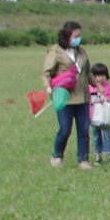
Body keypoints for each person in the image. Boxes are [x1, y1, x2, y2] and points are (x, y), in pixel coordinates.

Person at [43, 20, 93, 169]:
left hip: (83, 96)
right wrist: (47, 87)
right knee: (65, 129)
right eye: (76, 36)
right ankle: (57, 155)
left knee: (84, 130)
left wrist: (96, 85)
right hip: (65, 97)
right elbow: (46, 73)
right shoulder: (56, 51)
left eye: (80, 35)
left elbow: (87, 71)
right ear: (67, 36)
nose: (79, 38)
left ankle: (83, 160)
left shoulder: (81, 51)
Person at [86, 62, 110, 163]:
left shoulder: (108, 87)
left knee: (107, 136)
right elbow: (87, 100)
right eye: (97, 76)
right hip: (93, 116)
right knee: (96, 136)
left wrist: (106, 98)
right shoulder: (89, 88)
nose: (100, 78)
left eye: (102, 75)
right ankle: (98, 155)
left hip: (105, 116)